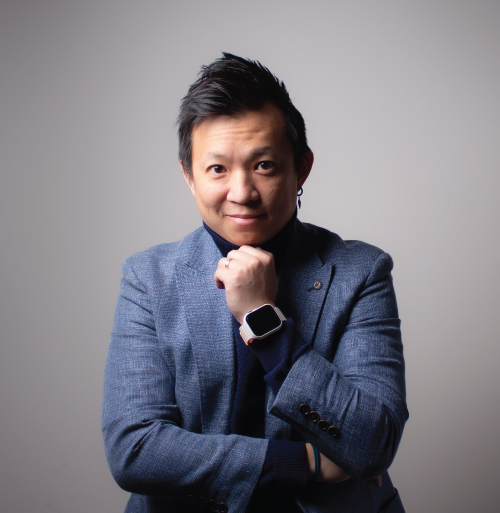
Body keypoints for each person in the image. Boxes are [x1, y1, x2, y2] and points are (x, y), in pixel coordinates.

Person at [102, 53, 408, 513]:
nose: (242, 192)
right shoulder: (148, 279)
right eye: (217, 169)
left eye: (264, 165)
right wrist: (302, 463)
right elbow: (134, 451)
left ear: (301, 168)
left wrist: (263, 320)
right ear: (189, 175)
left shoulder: (360, 271)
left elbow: (371, 443)